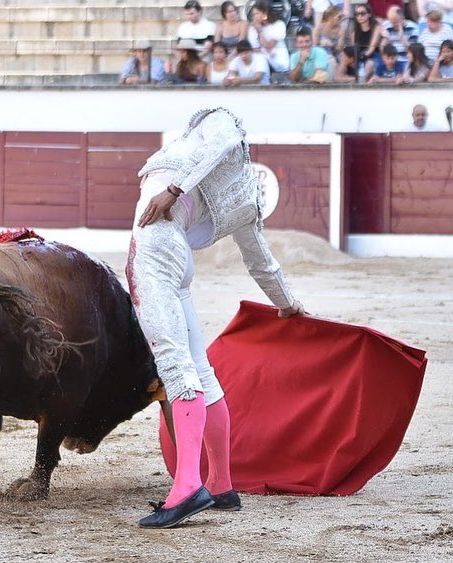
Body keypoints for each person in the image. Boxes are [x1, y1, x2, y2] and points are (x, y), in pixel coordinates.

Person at [127, 107, 304, 529]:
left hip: (155, 245)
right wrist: (288, 303)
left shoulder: (220, 122)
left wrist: (173, 188)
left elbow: (221, 139)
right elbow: (262, 262)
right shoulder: (244, 196)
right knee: (201, 373)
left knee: (175, 366)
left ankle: (188, 485)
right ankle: (221, 483)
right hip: (179, 257)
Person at [247, 1, 291, 73]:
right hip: (262, 63)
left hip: (279, 63)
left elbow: (269, 45)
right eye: (253, 14)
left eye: (257, 13)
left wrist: (260, 31)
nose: (254, 17)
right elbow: (254, 48)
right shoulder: (252, 28)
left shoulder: (279, 25)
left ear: (265, 13)